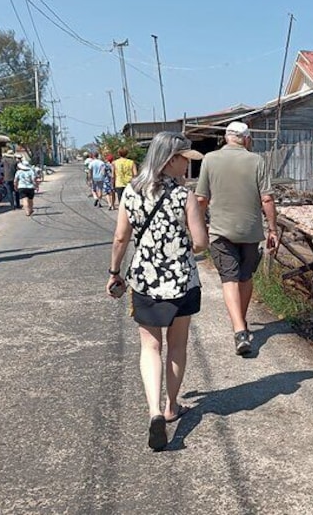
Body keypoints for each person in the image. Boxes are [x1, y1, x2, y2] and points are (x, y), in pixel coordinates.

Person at [106, 132, 207, 451]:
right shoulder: (184, 196)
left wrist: (114, 272)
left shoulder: (131, 192)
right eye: (183, 160)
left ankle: (153, 412)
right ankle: (171, 406)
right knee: (177, 346)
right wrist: (184, 247)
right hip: (181, 282)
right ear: (170, 159)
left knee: (150, 347)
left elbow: (121, 238)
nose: (186, 167)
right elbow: (202, 242)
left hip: (145, 281)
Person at [195, 121, 277, 356]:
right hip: (250, 231)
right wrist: (272, 229)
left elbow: (201, 199)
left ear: (225, 138)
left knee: (229, 279)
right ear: (247, 139)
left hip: (221, 231)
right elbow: (267, 199)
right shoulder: (257, 161)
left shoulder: (209, 159)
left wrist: (198, 226)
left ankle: (239, 329)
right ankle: (241, 324)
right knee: (245, 276)